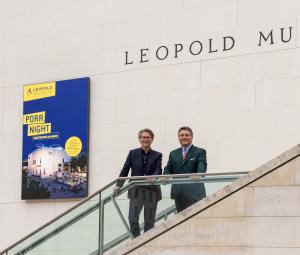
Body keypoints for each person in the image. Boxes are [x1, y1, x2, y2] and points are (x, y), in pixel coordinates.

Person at [114, 128, 162, 238]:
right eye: (143, 137)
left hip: (151, 192)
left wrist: (154, 176)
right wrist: (118, 186)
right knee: (132, 218)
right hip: (136, 191)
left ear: (152, 139)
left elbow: (158, 170)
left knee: (149, 221)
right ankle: (137, 240)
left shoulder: (157, 155)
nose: (145, 139)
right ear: (139, 139)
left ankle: (146, 242)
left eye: (148, 137)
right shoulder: (132, 153)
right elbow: (125, 170)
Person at [164, 126, 207, 213]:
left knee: (196, 219)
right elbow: (168, 168)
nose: (184, 137)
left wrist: (198, 175)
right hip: (179, 192)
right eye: (181, 135)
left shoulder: (200, 151)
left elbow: (202, 165)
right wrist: (165, 176)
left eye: (187, 135)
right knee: (181, 220)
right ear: (178, 137)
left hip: (195, 192)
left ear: (191, 137)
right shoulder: (173, 153)